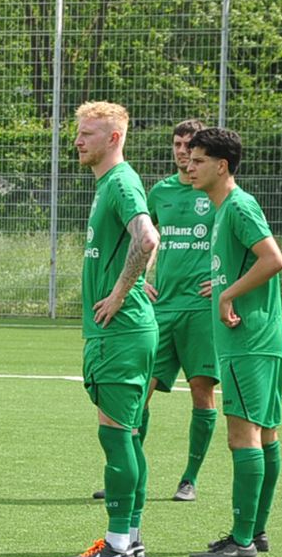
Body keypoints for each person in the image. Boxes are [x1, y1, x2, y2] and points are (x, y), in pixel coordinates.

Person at [92, 120, 219, 502]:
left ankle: (189, 478)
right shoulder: (160, 191)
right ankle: (126, 477)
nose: (182, 152)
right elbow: (143, 236)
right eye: (177, 144)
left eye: (189, 146)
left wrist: (226, 280)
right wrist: (137, 279)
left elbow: (239, 239)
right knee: (139, 394)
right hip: (160, 308)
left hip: (201, 309)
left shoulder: (215, 191)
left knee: (201, 391)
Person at [61, 102, 159, 557]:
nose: (78, 141)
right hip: (125, 331)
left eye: (87, 134)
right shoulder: (110, 184)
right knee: (128, 437)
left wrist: (121, 292)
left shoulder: (120, 181)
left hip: (120, 332)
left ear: (113, 138)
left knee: (117, 437)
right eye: (78, 133)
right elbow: (146, 243)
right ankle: (130, 540)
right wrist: (138, 281)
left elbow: (148, 238)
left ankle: (118, 544)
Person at [185, 127, 282, 557]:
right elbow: (250, 264)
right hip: (261, 337)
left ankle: (242, 540)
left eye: (198, 161)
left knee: (243, 436)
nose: (189, 167)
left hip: (248, 339)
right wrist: (226, 283)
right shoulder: (225, 208)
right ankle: (255, 531)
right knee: (266, 434)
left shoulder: (239, 206)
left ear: (222, 165)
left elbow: (273, 259)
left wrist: (228, 295)